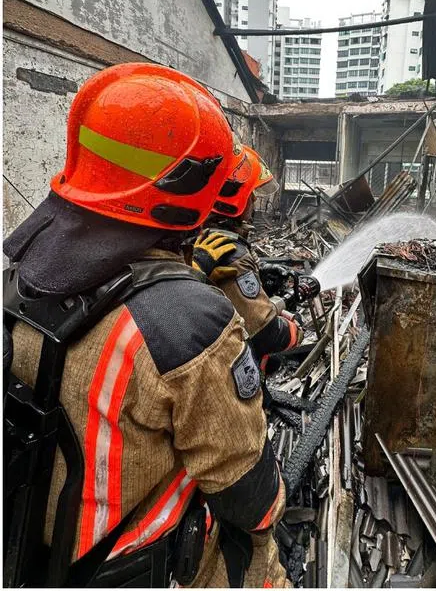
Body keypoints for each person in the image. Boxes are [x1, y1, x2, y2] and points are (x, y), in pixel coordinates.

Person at [3, 63, 288, 587]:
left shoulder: (16, 281)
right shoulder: (188, 323)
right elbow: (247, 493)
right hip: (133, 567)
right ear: (192, 182)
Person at [191, 145, 300, 370]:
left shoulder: (198, 235)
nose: (253, 201)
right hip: (223, 368)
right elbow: (265, 333)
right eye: (250, 194)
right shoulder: (229, 250)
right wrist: (295, 331)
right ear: (234, 198)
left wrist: (259, 273)